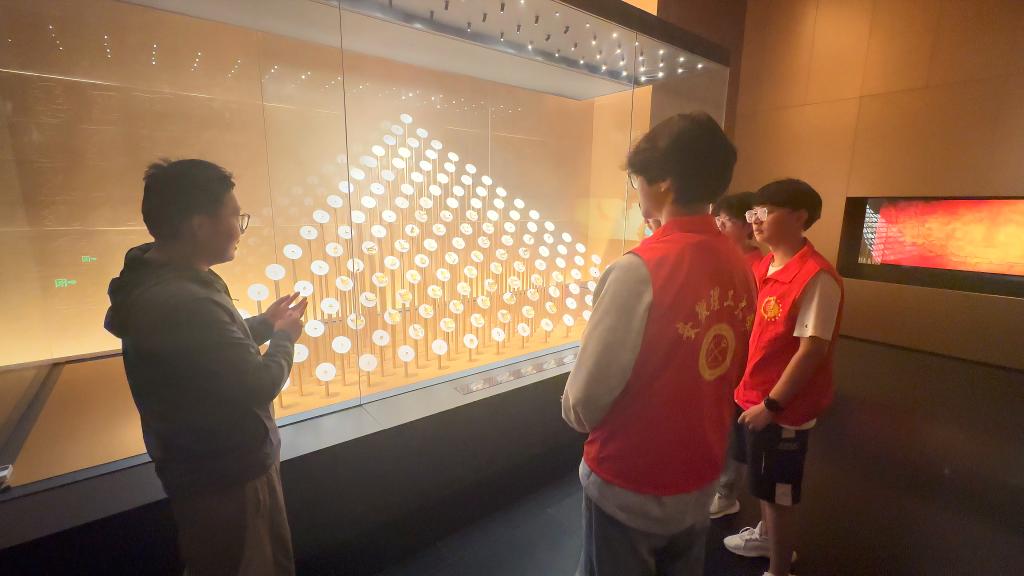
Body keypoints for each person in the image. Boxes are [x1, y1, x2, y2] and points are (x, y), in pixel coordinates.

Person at [562, 112, 756, 576]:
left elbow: (583, 401)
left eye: (637, 180)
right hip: (699, 471)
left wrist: (574, 413)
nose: (637, 192)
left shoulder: (638, 269)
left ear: (664, 182)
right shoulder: (741, 266)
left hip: (630, 478)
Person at [105, 159, 307, 576]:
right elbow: (258, 383)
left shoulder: (159, 276)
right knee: (247, 563)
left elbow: (211, 350)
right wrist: (285, 337)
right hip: (227, 473)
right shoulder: (185, 300)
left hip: (204, 468)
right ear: (199, 225)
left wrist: (265, 324)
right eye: (235, 217)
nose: (240, 229)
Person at [722, 179, 844, 576]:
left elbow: (812, 350)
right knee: (763, 481)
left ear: (799, 217)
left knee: (779, 493)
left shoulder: (815, 277)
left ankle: (778, 568)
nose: (756, 220)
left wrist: (771, 405)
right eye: (753, 213)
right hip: (755, 392)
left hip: (781, 406)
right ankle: (767, 537)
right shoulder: (766, 266)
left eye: (767, 212)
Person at [708, 191, 762, 519]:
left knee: (733, 429)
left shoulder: (757, 266)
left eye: (725, 222)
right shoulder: (723, 259)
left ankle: (727, 491)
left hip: (741, 361)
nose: (718, 227)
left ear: (746, 226)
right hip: (720, 356)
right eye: (717, 220)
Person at [714, 191, 764, 268]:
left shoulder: (758, 266)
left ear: (749, 226)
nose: (720, 225)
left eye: (728, 220)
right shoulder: (718, 257)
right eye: (718, 219)